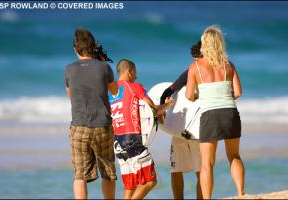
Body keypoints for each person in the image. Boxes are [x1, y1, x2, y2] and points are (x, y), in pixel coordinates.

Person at [185, 25, 245, 199]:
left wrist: (199, 95)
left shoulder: (195, 66)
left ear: (204, 44)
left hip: (210, 115)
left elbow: (189, 95)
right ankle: (241, 193)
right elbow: (238, 92)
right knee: (234, 155)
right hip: (230, 112)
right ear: (220, 43)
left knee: (207, 163)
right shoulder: (228, 65)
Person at [64, 28, 118, 199]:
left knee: (79, 174)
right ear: (93, 46)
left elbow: (70, 97)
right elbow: (115, 91)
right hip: (103, 126)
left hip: (79, 127)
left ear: (75, 48)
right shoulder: (104, 67)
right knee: (108, 171)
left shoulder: (69, 69)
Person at [109, 59, 174, 199]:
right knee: (150, 182)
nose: (136, 76)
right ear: (129, 72)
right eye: (135, 72)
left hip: (116, 143)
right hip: (132, 141)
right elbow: (154, 110)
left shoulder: (109, 92)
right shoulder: (134, 86)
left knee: (130, 186)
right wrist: (167, 105)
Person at [160, 41, 203, 199]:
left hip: (181, 126)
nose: (195, 63)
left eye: (196, 59)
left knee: (178, 169)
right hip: (196, 129)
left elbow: (168, 91)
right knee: (198, 170)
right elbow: (168, 91)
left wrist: (161, 110)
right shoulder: (212, 72)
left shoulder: (190, 71)